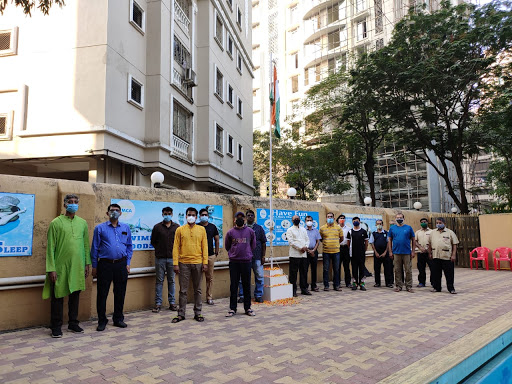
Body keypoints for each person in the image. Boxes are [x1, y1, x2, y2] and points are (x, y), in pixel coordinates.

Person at [42, 194, 91, 338]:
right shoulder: (55, 223)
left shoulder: (82, 223)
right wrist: (51, 268)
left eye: (76, 202)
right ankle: (56, 327)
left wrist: (87, 263)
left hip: (78, 266)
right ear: (65, 205)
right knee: (58, 296)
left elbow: (85, 244)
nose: (73, 204)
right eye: (70, 202)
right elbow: (50, 247)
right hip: (60, 267)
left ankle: (73, 323)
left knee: (75, 295)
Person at [91, 203, 133, 331]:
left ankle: (118, 319)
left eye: (117, 210)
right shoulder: (100, 228)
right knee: (102, 293)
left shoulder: (126, 228)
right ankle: (102, 320)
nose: (114, 212)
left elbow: (129, 246)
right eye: (112, 210)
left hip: (121, 264)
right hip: (105, 264)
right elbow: (95, 248)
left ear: (120, 213)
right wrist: (94, 266)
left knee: (120, 293)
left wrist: (128, 263)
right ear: (107, 213)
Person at [172, 207, 208, 323]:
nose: (191, 216)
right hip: (183, 263)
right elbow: (175, 247)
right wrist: (175, 264)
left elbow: (205, 247)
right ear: (186, 216)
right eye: (189, 214)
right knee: (183, 290)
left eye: (193, 215)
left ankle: (198, 313)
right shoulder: (180, 230)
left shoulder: (202, 230)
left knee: (198, 290)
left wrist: (205, 262)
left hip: (198, 262)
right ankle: (181, 314)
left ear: (196, 217)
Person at [225, 212, 257, 317]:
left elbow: (253, 245)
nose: (239, 219)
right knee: (233, 285)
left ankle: (248, 308)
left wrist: (247, 253)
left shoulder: (250, 231)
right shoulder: (230, 232)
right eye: (237, 217)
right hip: (234, 262)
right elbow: (227, 246)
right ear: (234, 220)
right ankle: (232, 308)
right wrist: (233, 254)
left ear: (244, 219)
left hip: (246, 262)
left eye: (242, 217)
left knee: (246, 285)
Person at [150, 207, 179, 313]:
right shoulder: (157, 227)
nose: (167, 215)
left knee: (171, 281)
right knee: (159, 281)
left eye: (169, 213)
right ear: (162, 214)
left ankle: (172, 303)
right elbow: (153, 242)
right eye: (165, 213)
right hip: (160, 259)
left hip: (172, 259)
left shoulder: (177, 227)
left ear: (172, 214)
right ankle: (158, 304)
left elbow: (179, 243)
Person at [238, 209, 266, 303]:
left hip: (257, 256)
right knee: (243, 278)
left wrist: (263, 256)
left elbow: (263, 243)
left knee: (259, 276)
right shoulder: (242, 228)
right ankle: (243, 295)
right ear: (245, 217)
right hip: (244, 257)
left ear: (254, 217)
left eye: (252, 215)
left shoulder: (259, 228)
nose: (250, 217)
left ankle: (258, 295)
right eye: (248, 215)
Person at [428, 217, 459, 294]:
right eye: (437, 223)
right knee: (436, 273)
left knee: (449, 274)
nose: (438, 224)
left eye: (440, 223)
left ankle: (451, 288)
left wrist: (453, 255)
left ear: (444, 223)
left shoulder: (450, 232)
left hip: (447, 256)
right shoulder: (433, 232)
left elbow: (454, 244)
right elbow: (429, 244)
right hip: (435, 255)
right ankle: (437, 287)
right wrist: (430, 253)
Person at [388, 212, 415, 293]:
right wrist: (390, 251)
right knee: (397, 270)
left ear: (404, 219)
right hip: (396, 252)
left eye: (401, 217)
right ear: (395, 219)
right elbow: (389, 240)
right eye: (397, 218)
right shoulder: (392, 228)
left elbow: (413, 240)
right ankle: (399, 286)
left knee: (408, 270)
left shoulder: (409, 228)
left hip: (407, 252)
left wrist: (413, 251)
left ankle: (409, 286)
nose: (399, 219)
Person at [199, 208, 219, 305]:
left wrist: (217, 251)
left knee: (209, 277)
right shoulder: (197, 226)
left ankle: (209, 297)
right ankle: (198, 298)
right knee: (198, 278)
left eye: (205, 215)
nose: (204, 216)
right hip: (198, 256)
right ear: (199, 216)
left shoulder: (212, 227)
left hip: (210, 255)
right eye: (202, 215)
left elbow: (217, 239)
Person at [286, 214, 311, 297]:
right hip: (294, 254)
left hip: (303, 255)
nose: (296, 219)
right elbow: (291, 242)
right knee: (293, 274)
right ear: (292, 220)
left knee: (304, 272)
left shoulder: (303, 229)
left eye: (298, 218)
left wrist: (306, 247)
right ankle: (293, 291)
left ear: (300, 220)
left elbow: (307, 239)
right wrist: (300, 248)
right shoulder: (290, 230)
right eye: (295, 219)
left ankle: (304, 289)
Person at [319, 212, 343, 291]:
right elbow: (321, 239)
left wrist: (336, 244)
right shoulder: (322, 228)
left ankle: (336, 285)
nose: (330, 218)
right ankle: (326, 286)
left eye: (331, 217)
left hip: (336, 251)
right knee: (326, 269)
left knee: (336, 269)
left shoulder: (338, 228)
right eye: (328, 217)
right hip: (326, 252)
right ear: (326, 218)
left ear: (334, 218)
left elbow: (341, 238)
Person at [369, 219, 393, 288]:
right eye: (377, 224)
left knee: (387, 269)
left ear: (382, 225)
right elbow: (372, 243)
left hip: (385, 253)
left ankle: (388, 283)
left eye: (380, 223)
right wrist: (375, 252)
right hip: (377, 253)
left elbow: (388, 243)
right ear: (375, 225)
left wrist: (385, 252)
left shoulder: (386, 233)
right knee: (377, 269)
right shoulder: (373, 233)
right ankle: (377, 283)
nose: (379, 225)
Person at [346, 217, 369, 291]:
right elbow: (348, 243)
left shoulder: (363, 231)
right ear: (352, 222)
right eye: (354, 221)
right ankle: (354, 284)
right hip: (353, 254)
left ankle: (362, 284)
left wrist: (364, 250)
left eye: (357, 221)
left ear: (359, 222)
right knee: (354, 269)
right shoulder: (350, 232)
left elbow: (366, 242)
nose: (356, 222)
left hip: (361, 254)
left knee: (362, 269)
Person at [415, 218, 433, 288]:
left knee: (432, 268)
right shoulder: (418, 232)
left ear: (427, 222)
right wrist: (420, 247)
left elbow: (433, 240)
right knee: (421, 268)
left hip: (429, 253)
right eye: (422, 222)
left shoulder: (432, 231)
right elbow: (415, 241)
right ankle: (421, 282)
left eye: (424, 222)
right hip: (420, 252)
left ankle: (433, 282)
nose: (423, 223)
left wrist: (428, 248)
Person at [305, 215, 321, 292]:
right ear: (305, 222)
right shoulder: (303, 230)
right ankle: (305, 285)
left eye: (310, 220)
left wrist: (313, 250)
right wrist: (308, 251)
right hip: (306, 252)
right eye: (307, 220)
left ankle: (313, 285)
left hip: (314, 251)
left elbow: (318, 241)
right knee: (305, 269)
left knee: (314, 269)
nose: (309, 222)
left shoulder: (316, 230)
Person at [337, 214, 352, 288]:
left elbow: (350, 240)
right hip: (338, 248)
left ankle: (348, 282)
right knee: (337, 266)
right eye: (340, 218)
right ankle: (338, 283)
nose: (342, 219)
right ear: (338, 220)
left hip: (346, 248)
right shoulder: (336, 228)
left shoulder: (349, 229)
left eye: (343, 218)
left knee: (346, 266)